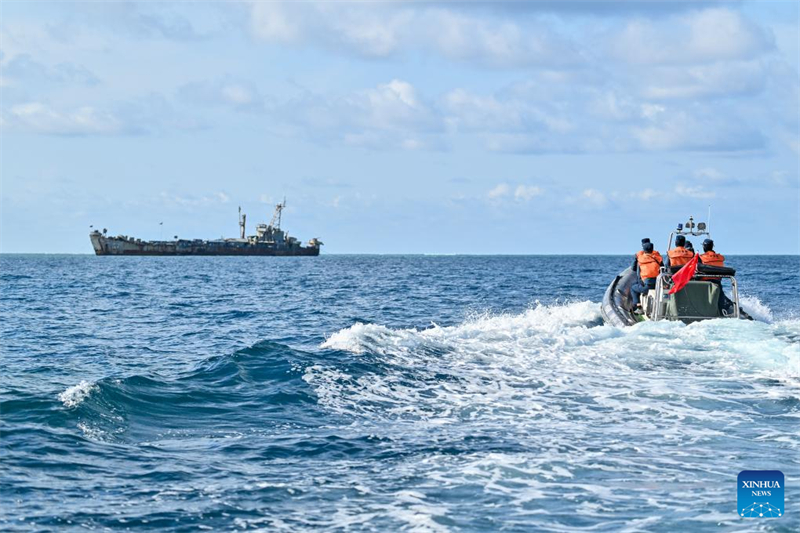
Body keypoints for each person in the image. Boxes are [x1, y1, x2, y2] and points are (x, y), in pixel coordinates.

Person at [630, 239, 663, 312]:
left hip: (647, 286)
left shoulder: (640, 258)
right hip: (658, 284)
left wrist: (636, 258)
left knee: (633, 288)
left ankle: (638, 307)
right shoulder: (658, 257)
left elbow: (634, 269)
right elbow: (663, 268)